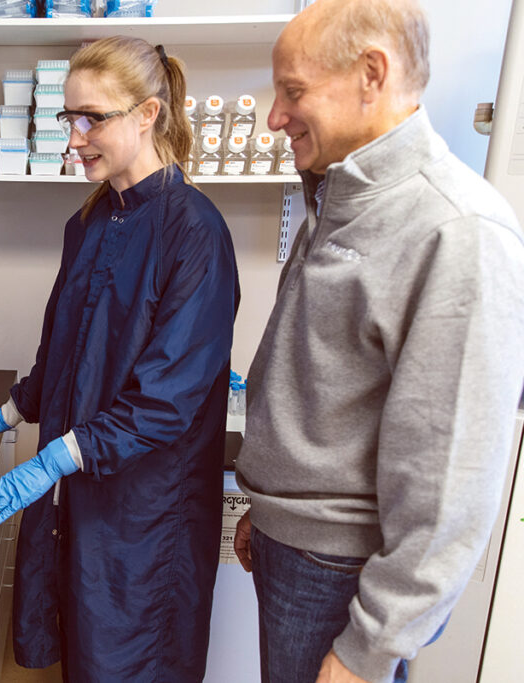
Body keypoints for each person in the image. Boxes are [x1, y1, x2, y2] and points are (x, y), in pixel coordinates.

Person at [232, 1, 524, 682]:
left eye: (293, 91)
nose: (275, 117)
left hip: (342, 578)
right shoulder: (339, 198)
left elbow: (451, 481)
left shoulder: (457, 232)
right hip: (295, 548)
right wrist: (270, 510)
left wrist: (368, 648)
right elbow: (327, 392)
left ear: (372, 73)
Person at [0, 36, 239, 682]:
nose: (74, 138)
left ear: (148, 113)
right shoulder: (91, 221)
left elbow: (165, 403)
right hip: (85, 499)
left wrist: (54, 458)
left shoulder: (196, 233)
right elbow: (66, 349)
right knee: (86, 656)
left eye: (91, 118)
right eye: (67, 118)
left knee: (135, 660)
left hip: (147, 515)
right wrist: (10, 411)